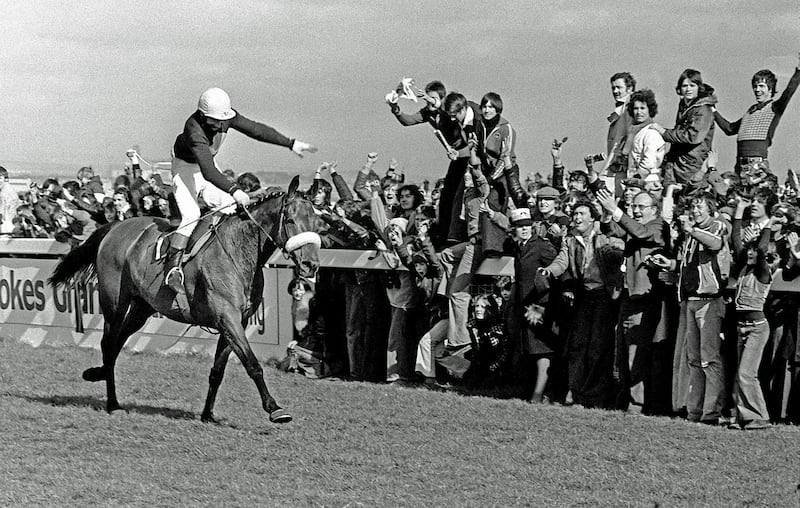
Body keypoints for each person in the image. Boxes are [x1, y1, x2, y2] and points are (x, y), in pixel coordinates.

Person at [167, 87, 317, 293]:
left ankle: (216, 258)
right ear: (202, 116)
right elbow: (209, 172)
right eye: (215, 121)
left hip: (206, 164)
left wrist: (290, 143)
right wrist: (235, 189)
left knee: (228, 207)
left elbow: (255, 130)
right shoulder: (194, 130)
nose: (221, 125)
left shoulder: (224, 115)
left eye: (223, 120)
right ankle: (173, 269)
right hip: (185, 167)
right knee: (191, 214)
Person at [650, 192, 727, 423]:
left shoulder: (717, 226)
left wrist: (692, 230)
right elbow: (689, 264)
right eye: (693, 207)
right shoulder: (690, 235)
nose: (695, 211)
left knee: (709, 359)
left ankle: (712, 411)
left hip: (709, 301)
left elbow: (716, 244)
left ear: (710, 209)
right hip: (690, 301)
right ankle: (695, 410)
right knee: (693, 359)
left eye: (700, 207)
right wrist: (672, 265)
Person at [540, 200, 624, 408]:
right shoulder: (570, 240)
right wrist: (549, 270)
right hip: (585, 295)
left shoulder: (604, 236)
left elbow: (618, 252)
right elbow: (563, 261)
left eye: (582, 214)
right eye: (575, 214)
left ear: (592, 218)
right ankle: (575, 392)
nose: (577, 218)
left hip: (605, 295)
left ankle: (595, 397)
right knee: (577, 346)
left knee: (598, 347)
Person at [596, 188, 669, 413]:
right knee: (622, 353)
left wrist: (616, 211)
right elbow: (612, 229)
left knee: (637, 355)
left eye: (641, 207)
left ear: (654, 209)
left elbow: (640, 233)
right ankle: (623, 401)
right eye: (634, 206)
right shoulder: (634, 224)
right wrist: (607, 215)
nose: (636, 211)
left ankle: (637, 405)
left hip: (646, 298)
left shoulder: (658, 226)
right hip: (628, 297)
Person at [714, 53, 800, 175]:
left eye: (761, 86)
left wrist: (799, 71)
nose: (757, 90)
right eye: (755, 86)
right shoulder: (750, 111)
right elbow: (729, 129)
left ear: (770, 89)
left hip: (757, 165)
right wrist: (713, 111)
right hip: (740, 164)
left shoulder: (775, 108)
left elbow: (789, 91)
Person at [729, 195, 773, 430]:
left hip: (757, 328)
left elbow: (763, 250)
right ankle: (740, 417)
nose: (750, 254)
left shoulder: (762, 273)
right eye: (749, 251)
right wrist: (739, 213)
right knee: (740, 374)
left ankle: (759, 416)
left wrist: (766, 226)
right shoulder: (744, 266)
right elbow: (737, 242)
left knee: (747, 373)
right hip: (741, 326)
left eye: (754, 252)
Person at [651, 69, 717, 185]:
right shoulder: (686, 106)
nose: (688, 89)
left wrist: (664, 132)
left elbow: (693, 136)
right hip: (678, 164)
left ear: (699, 87)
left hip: (692, 166)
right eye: (685, 86)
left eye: (692, 85)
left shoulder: (703, 109)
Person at [604, 72, 636, 194]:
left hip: (622, 164)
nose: (615, 91)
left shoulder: (630, 109)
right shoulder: (620, 108)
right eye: (613, 88)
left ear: (630, 89)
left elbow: (628, 136)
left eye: (619, 87)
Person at [624, 89, 665, 181]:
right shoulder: (634, 131)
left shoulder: (651, 132)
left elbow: (649, 162)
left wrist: (637, 179)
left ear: (650, 110)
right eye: (636, 108)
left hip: (647, 181)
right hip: (634, 179)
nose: (639, 112)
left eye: (642, 108)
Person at [0, 166, 21, 234]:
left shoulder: (6, 193)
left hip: (8, 228)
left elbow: (7, 215)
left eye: (0, 178)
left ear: (5, 179)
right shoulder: (4, 190)